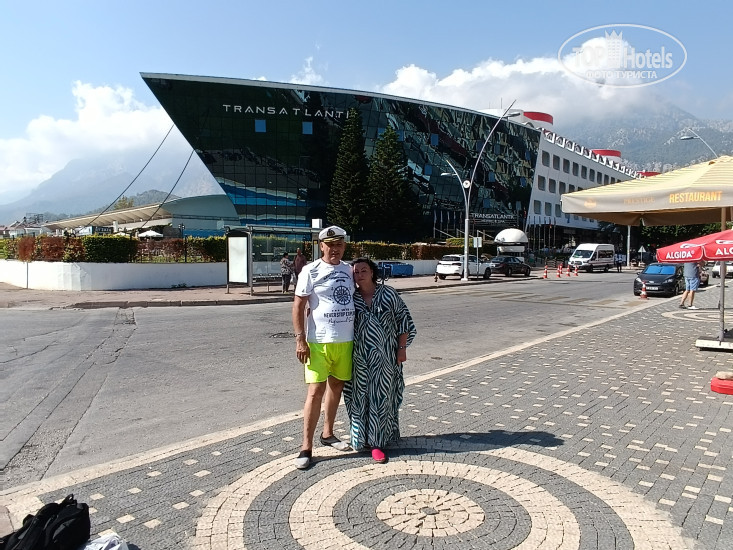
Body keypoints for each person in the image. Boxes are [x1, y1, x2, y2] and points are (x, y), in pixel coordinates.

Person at [291, 226, 355, 469]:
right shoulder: (310, 270)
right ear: (321, 246)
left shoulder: (349, 270)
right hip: (318, 342)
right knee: (315, 391)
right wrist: (300, 339)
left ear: (344, 246)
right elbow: (298, 306)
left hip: (345, 341)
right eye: (330, 245)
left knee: (336, 387)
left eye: (339, 244)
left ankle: (328, 433)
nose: (334, 249)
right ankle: (306, 447)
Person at [344, 257, 416, 464]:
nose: (359, 275)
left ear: (373, 272)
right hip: (358, 358)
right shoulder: (351, 297)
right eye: (356, 272)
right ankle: (360, 438)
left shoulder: (388, 294)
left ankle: (377, 442)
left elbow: (404, 321)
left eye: (364, 270)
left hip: (385, 357)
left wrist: (401, 349)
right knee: (358, 397)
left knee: (380, 397)